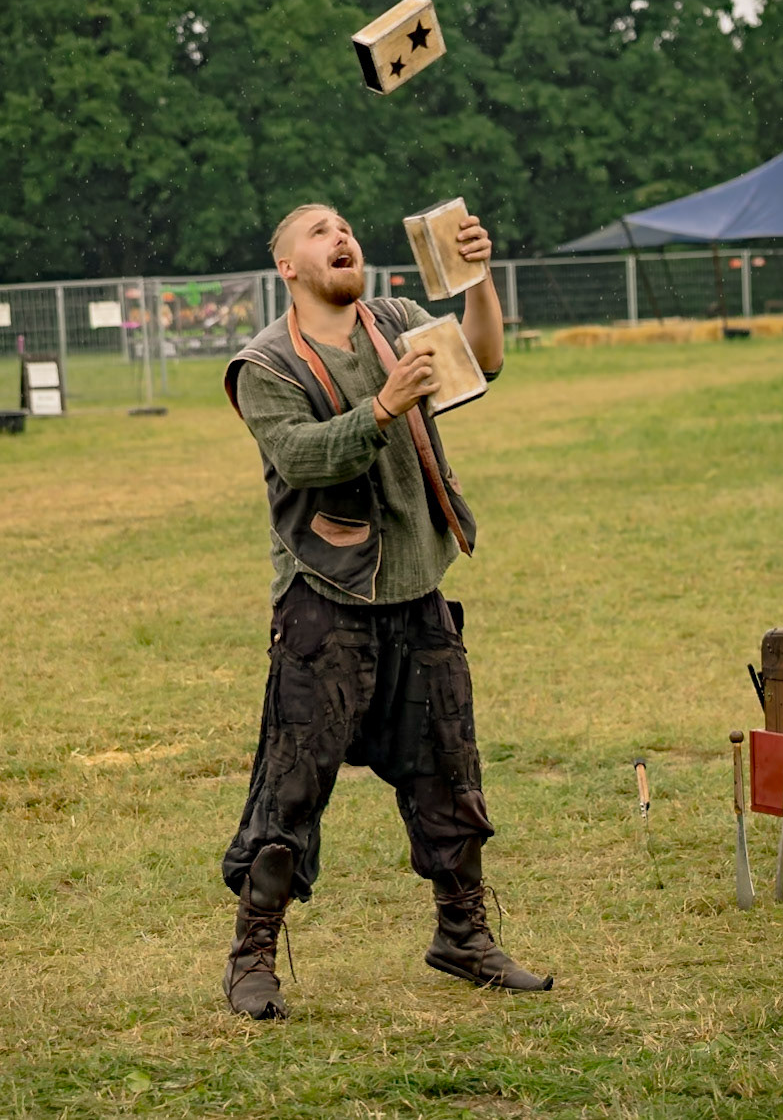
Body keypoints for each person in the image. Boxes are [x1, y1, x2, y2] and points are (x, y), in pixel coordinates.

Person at [221, 203, 552, 1019]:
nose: (341, 237)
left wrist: (476, 279)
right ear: (289, 268)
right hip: (324, 599)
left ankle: (462, 936)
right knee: (291, 789)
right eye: (317, 231)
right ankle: (252, 958)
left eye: (344, 226)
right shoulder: (263, 363)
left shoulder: (398, 320)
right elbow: (298, 457)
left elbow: (484, 358)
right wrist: (381, 407)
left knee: (451, 774)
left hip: (417, 588)